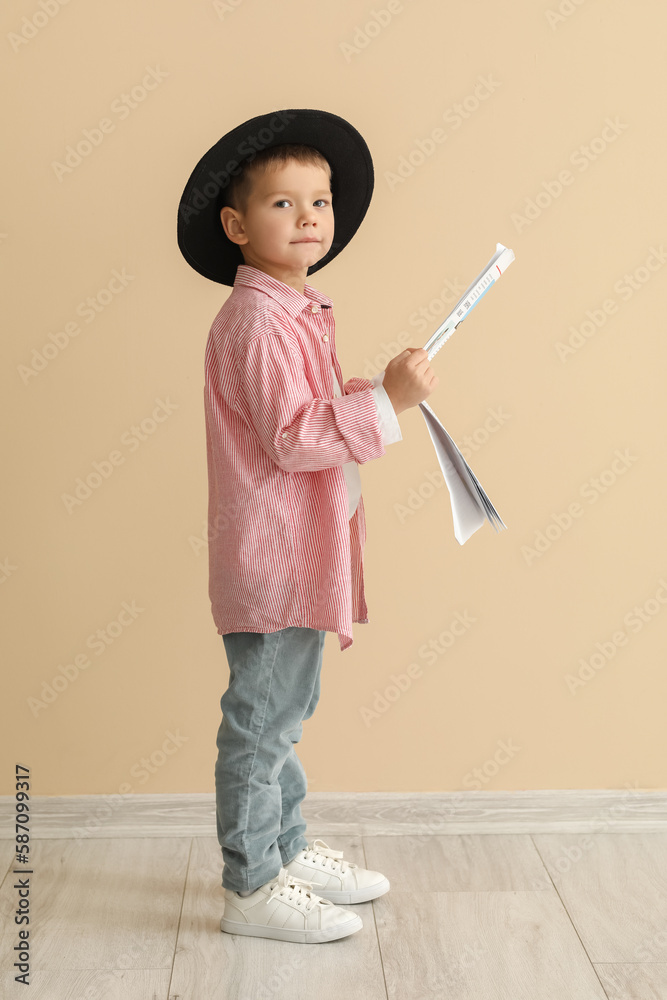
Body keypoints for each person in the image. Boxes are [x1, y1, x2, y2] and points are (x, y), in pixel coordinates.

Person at [177, 109, 438, 944]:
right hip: (274, 559)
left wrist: (369, 396)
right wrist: (385, 403)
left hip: (301, 555)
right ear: (236, 226)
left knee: (284, 711)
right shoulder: (258, 321)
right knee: (261, 722)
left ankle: (283, 849)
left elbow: (301, 413)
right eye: (282, 204)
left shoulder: (296, 311)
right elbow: (293, 439)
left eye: (318, 202)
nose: (308, 218)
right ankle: (252, 886)